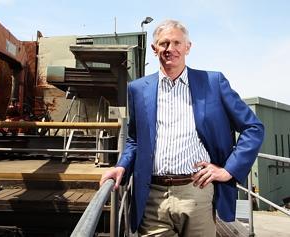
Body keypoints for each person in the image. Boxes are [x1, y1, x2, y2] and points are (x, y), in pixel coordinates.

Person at [100, 19, 264, 236]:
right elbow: (135, 139)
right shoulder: (138, 89)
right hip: (152, 196)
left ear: (188, 47)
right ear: (154, 48)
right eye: (164, 43)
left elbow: (253, 127)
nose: (171, 49)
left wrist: (228, 170)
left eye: (177, 43)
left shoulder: (213, 82)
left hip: (197, 191)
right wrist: (121, 166)